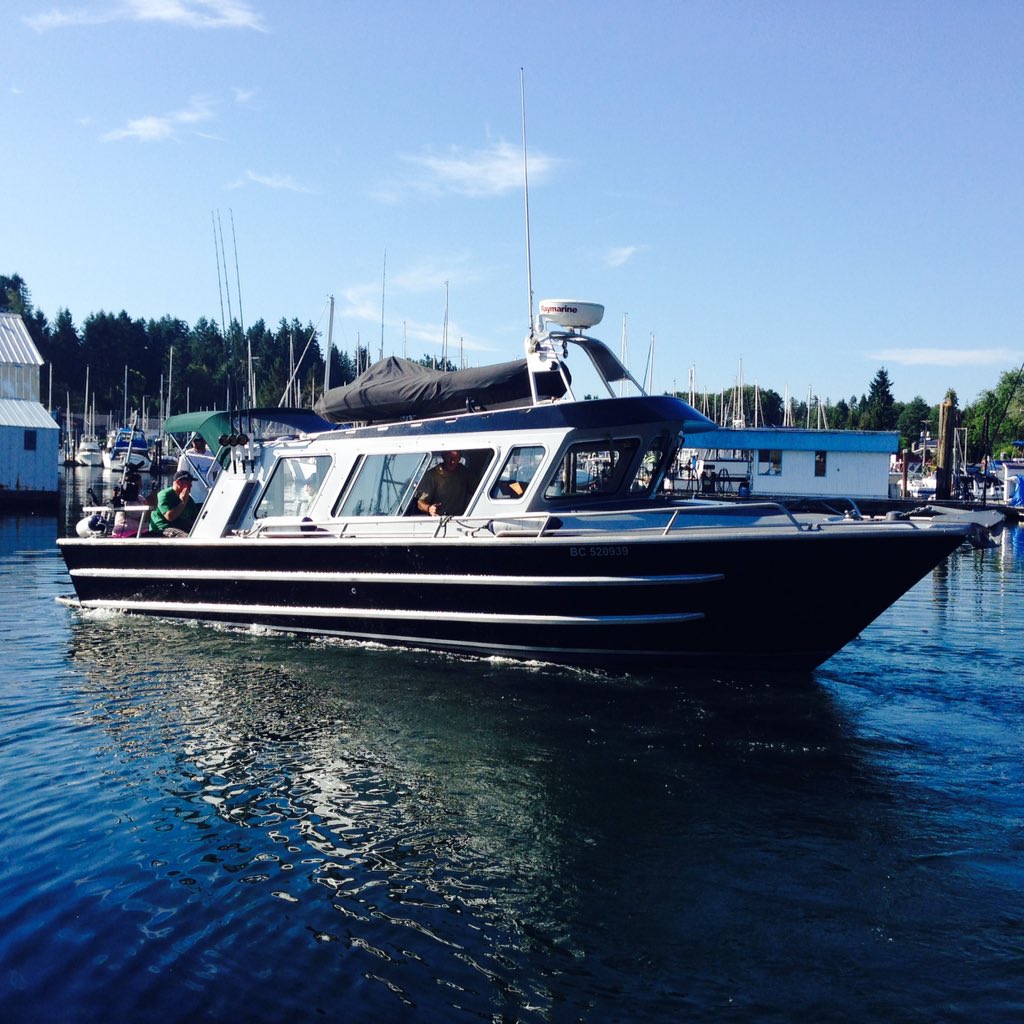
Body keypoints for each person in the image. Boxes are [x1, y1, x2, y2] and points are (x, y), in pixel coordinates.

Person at [416, 450, 469, 517]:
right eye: (449, 458)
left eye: (455, 458)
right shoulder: (431, 475)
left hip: (460, 518)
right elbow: (420, 503)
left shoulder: (465, 473)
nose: (452, 461)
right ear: (443, 457)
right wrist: (429, 508)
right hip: (439, 519)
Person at [150, 470, 198, 536]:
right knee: (186, 537)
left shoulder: (189, 499)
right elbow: (169, 517)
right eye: (188, 482)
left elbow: (194, 518)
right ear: (178, 482)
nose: (191, 485)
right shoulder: (164, 495)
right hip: (163, 529)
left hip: (181, 527)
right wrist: (183, 502)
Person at [176, 434, 218, 506]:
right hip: (192, 499)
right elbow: (180, 477)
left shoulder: (213, 455)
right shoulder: (186, 455)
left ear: (204, 441)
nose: (194, 442)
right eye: (192, 440)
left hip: (209, 497)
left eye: (197, 440)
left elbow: (218, 473)